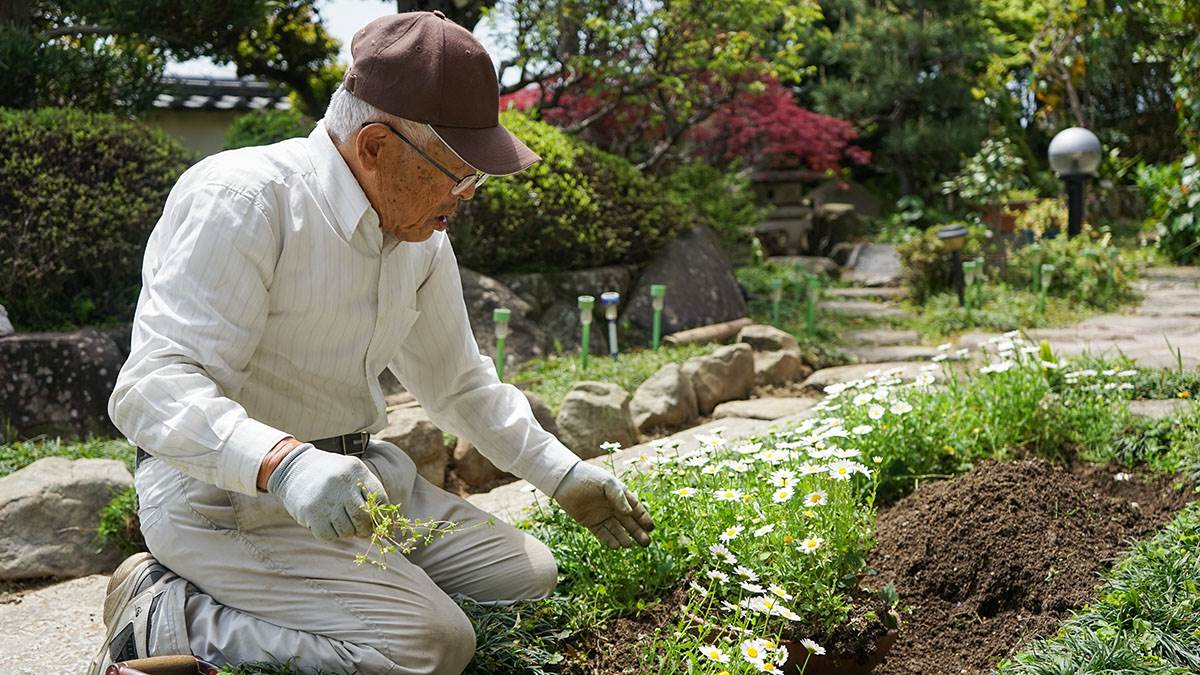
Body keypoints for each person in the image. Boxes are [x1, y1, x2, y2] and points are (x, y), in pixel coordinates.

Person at [90, 11, 653, 675]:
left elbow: (459, 385)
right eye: (459, 172)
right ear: (377, 146)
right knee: (432, 644)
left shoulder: (420, 236)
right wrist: (285, 463)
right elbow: (153, 389)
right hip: (228, 501)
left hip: (368, 485)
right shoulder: (245, 199)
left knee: (532, 578)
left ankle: (347, 594)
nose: (467, 195)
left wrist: (563, 474)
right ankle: (163, 611)